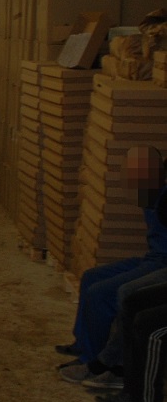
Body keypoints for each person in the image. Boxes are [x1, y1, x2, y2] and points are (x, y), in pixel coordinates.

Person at [55, 145, 167, 384]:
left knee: (101, 293)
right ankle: (83, 344)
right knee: (91, 277)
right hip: (153, 257)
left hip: (162, 263)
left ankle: (94, 360)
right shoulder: (153, 193)